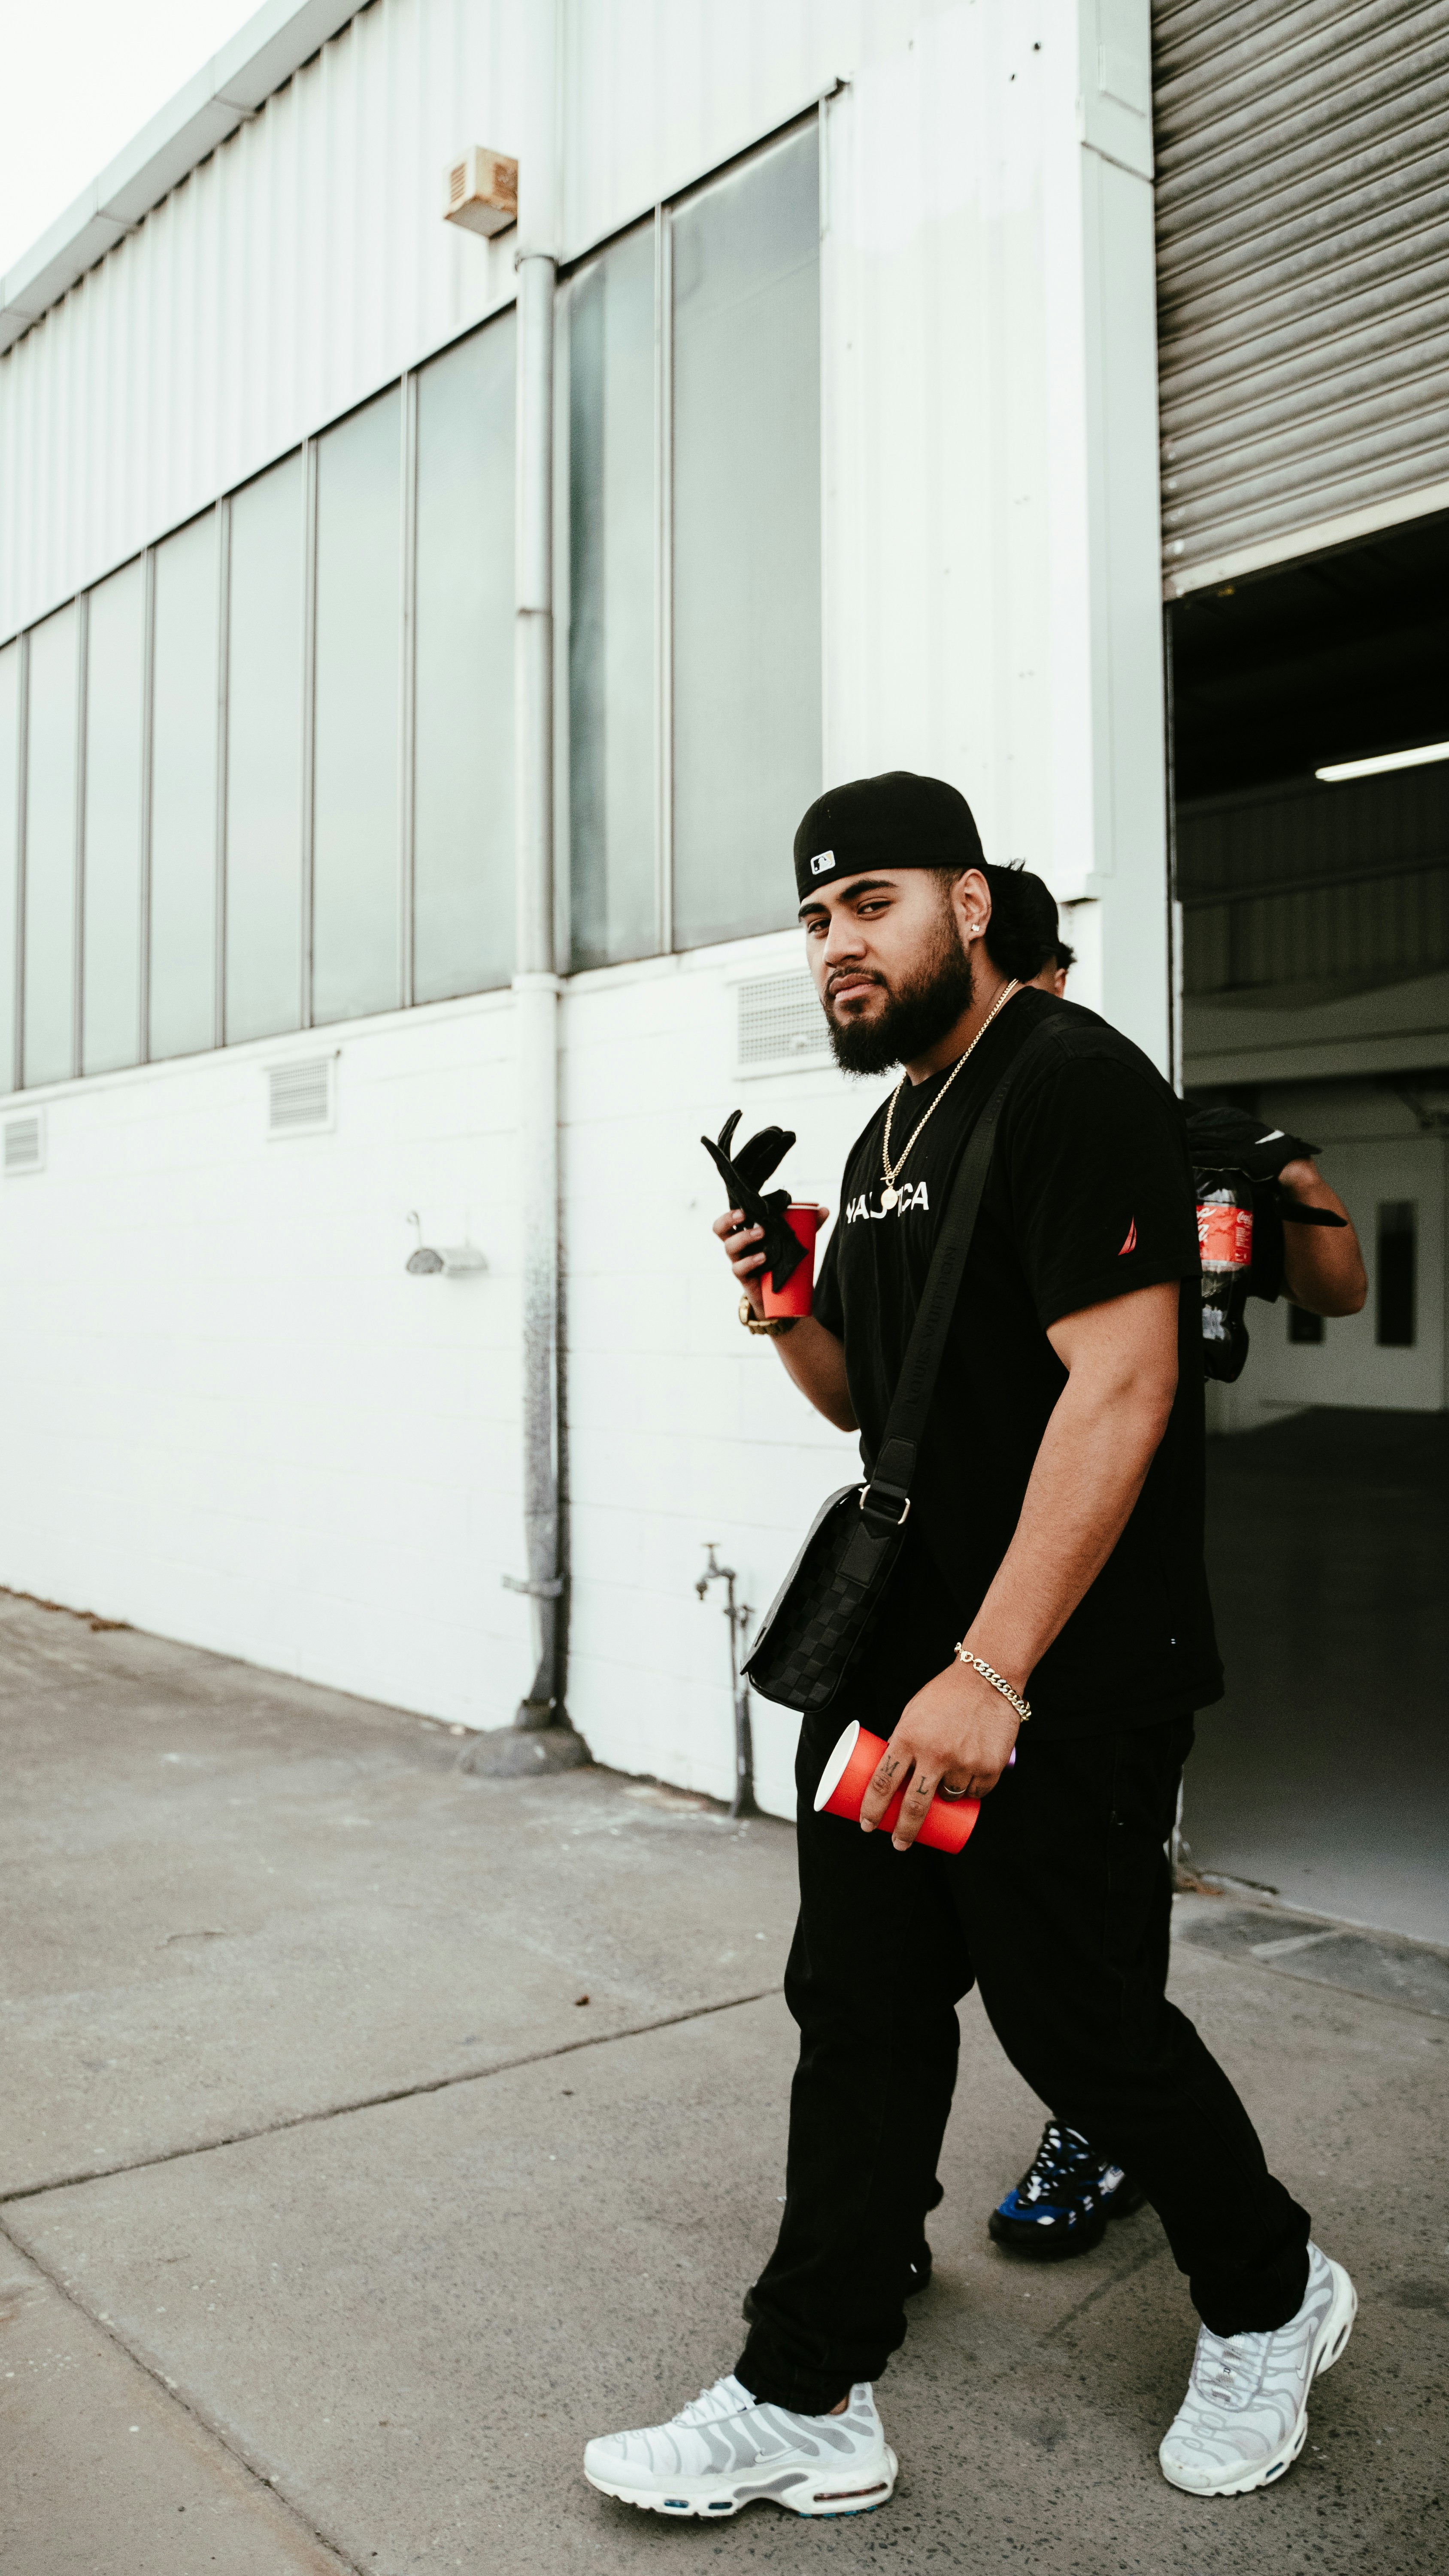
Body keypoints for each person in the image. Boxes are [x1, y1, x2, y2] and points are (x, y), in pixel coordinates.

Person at [582, 772, 1356, 2524]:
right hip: (905, 1647)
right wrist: (783, 1291)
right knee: (858, 2002)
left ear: (971, 906)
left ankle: (1268, 2293)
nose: (835, 947)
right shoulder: (887, 1136)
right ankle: (806, 2389)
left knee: (1076, 2025)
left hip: (1060, 1655)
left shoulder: (1076, 1089)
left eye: (870, 906)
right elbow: (869, 1400)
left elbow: (1127, 1385)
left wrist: (995, 1671)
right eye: (813, 918)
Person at [969, 871, 1367, 2266]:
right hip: (990, 1586)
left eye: (1043, 973)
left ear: (1056, 975)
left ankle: (1111, 2134)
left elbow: (1338, 1296)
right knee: (1011, 1929)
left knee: (1100, 1905)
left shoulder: (1157, 1122)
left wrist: (1296, 1179)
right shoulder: (946, 1136)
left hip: (1124, 1581)